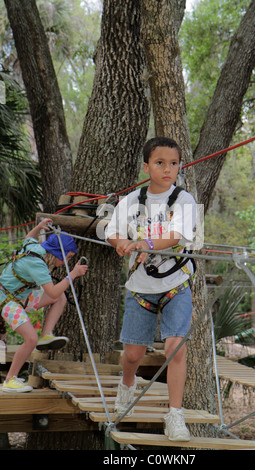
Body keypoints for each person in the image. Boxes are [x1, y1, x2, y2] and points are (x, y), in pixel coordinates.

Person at [106, 137, 197, 441]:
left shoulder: (184, 200)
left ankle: (175, 415)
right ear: (146, 167)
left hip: (176, 284)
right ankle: (127, 385)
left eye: (173, 163)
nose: (167, 169)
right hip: (141, 287)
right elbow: (112, 232)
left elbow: (175, 236)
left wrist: (142, 243)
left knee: (175, 348)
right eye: (160, 163)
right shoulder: (131, 201)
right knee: (133, 354)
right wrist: (121, 243)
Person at [0, 218, 88, 393]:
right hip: (8, 302)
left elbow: (28, 238)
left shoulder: (36, 247)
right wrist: (73, 274)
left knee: (61, 297)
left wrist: (37, 228)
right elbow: (52, 292)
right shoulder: (37, 264)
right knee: (30, 339)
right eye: (67, 258)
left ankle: (46, 335)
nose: (67, 262)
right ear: (57, 253)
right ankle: (9, 380)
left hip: (21, 297)